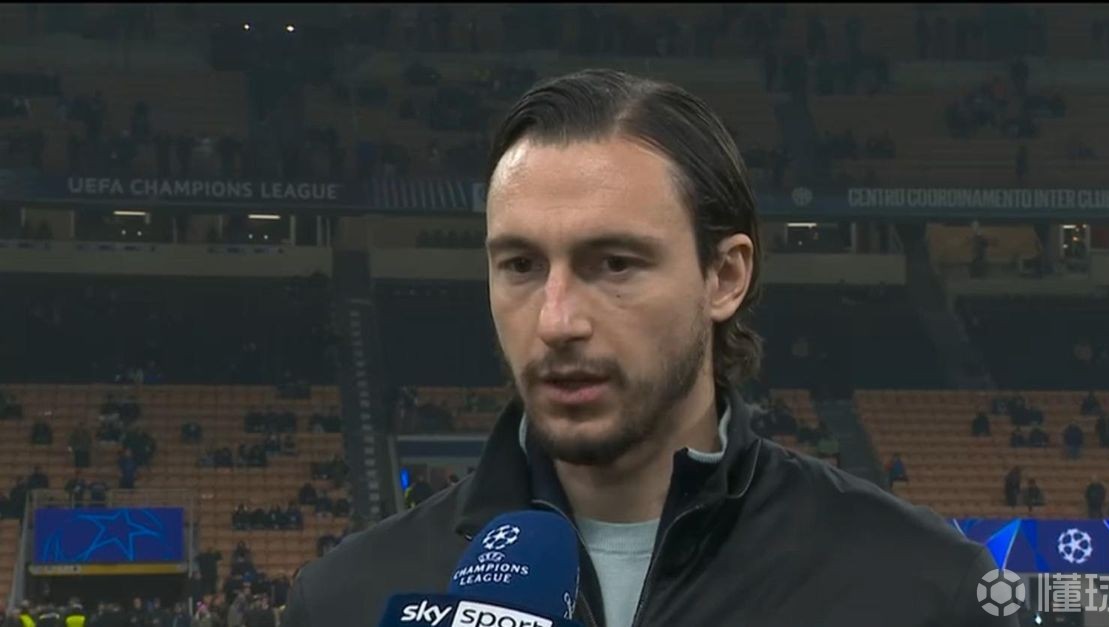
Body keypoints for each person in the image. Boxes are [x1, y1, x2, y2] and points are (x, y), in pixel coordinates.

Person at [282, 69, 1013, 627]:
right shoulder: (347, 599)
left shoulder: (926, 589)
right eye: (521, 265)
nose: (556, 321)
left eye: (615, 264)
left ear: (724, 276)